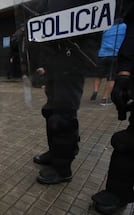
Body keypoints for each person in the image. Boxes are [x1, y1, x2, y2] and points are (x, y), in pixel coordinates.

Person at [23, 0, 101, 185]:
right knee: (51, 112)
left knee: (64, 116)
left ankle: (63, 168)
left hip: (72, 62)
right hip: (53, 64)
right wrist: (42, 64)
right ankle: (56, 152)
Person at [91, 2, 134, 214]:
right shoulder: (125, 25)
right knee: (126, 142)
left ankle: (97, 93)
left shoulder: (110, 27)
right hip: (118, 58)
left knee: (103, 76)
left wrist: (124, 73)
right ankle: (106, 97)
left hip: (105, 54)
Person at [90, 19, 127, 105]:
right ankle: (105, 99)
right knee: (111, 78)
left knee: (98, 75)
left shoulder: (106, 27)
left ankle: (95, 90)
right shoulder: (124, 27)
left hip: (102, 54)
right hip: (115, 55)